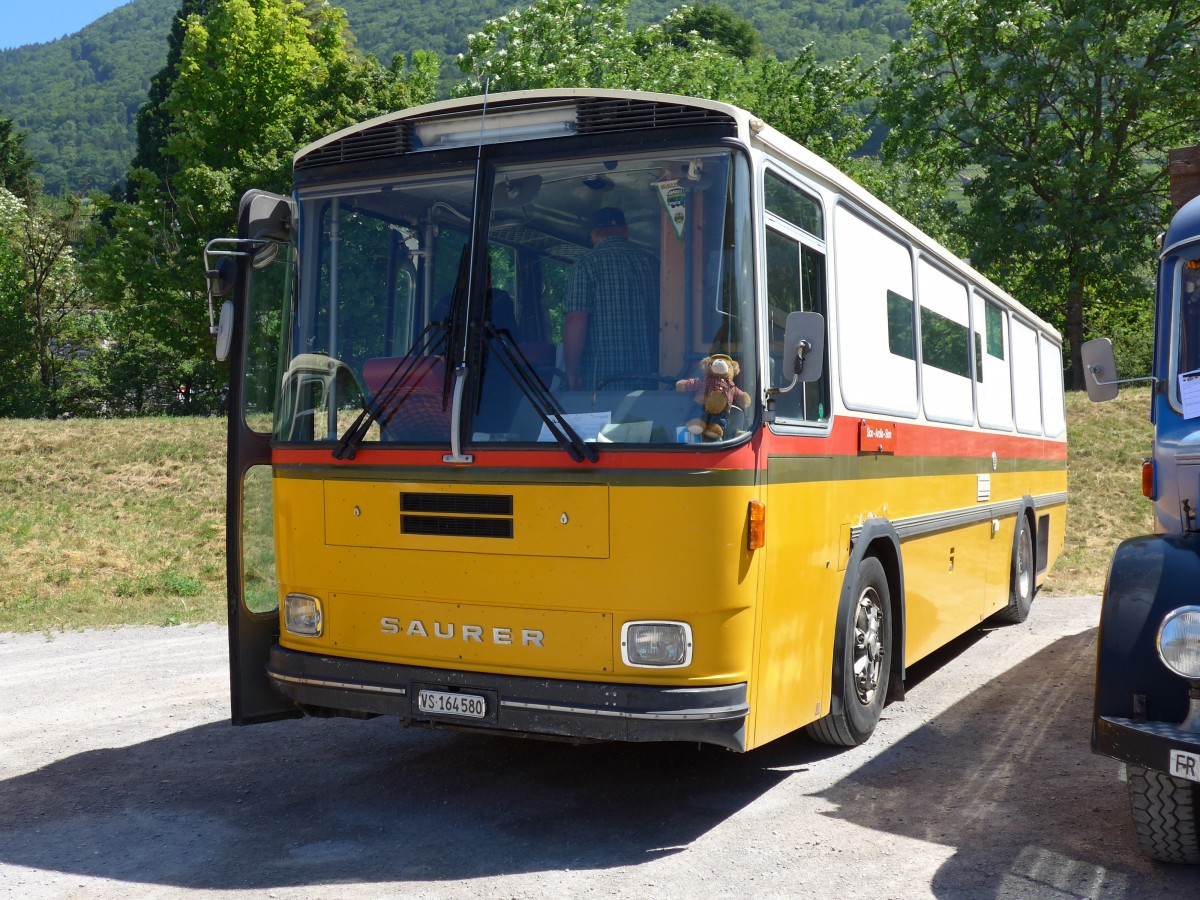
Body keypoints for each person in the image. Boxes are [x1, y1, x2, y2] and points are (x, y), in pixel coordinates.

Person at [564, 207, 659, 391]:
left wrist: (571, 375)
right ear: (625, 231)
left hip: (604, 387)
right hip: (653, 384)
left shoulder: (585, 265)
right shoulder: (653, 263)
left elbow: (576, 320)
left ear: (594, 235)